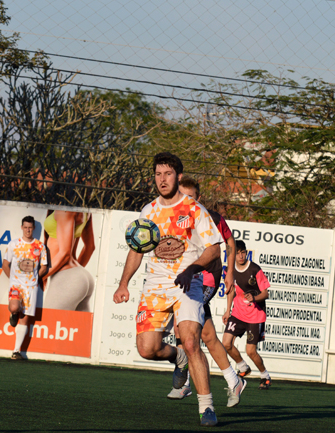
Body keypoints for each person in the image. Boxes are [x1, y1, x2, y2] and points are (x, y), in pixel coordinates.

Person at [113, 152, 222, 427]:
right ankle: (178, 358)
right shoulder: (148, 211)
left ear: (179, 176)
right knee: (146, 349)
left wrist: (192, 269)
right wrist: (123, 283)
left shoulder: (194, 209)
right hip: (156, 286)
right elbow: (137, 251)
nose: (162, 179)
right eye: (158, 174)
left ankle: (206, 406)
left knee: (190, 340)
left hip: (188, 284)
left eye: (168, 174)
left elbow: (214, 249)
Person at [166, 176, 246, 407]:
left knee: (187, 332)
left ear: (198, 198)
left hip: (207, 280)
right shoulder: (176, 217)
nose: (185, 200)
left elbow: (229, 241)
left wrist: (230, 272)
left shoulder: (210, 217)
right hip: (188, 280)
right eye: (181, 196)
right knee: (207, 335)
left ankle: (187, 384)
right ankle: (233, 380)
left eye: (190, 196)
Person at [222, 240, 272, 389]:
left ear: (246, 252)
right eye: (237, 253)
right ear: (232, 255)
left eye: (243, 252)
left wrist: (254, 298)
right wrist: (227, 310)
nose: (241, 256)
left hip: (255, 315)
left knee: (250, 351)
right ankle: (243, 367)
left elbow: (266, 293)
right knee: (226, 344)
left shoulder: (255, 269)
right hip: (238, 313)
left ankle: (265, 376)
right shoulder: (229, 270)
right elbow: (231, 291)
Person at [2, 215, 48, 359]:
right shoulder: (13, 244)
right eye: (25, 227)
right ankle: (13, 313)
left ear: (33, 228)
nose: (28, 230)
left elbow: (44, 267)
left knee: (26, 318)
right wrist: (13, 280)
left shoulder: (40, 246)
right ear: (22, 228)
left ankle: (16, 351)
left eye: (30, 228)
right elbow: (5, 264)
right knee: (15, 307)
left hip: (31, 287)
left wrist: (34, 279)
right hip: (16, 285)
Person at [40, 209, 95, 311]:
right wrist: (77, 275)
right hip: (76, 275)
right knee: (78, 327)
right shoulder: (86, 211)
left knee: (51, 325)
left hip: (66, 276)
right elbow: (90, 247)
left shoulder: (65, 210)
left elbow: (64, 253)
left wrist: (38, 277)